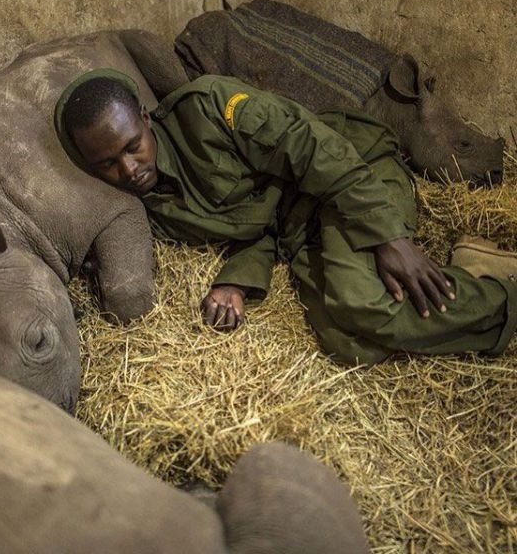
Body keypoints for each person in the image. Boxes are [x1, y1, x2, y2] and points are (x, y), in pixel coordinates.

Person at [55, 69, 517, 366]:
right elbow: (256, 226)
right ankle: (475, 272)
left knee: (363, 304)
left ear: (144, 117)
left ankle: (506, 299)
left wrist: (387, 237)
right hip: (303, 227)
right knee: (347, 343)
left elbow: (315, 148)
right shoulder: (149, 208)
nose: (129, 169)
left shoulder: (211, 108)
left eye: (133, 145)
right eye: (107, 164)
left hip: (354, 175)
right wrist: (235, 281)